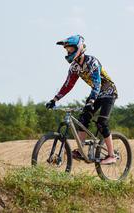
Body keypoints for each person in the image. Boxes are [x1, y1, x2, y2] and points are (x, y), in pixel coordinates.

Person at [45, 35, 118, 165]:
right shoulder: (74, 67)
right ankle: (80, 150)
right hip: (96, 95)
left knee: (101, 123)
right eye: (67, 50)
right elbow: (68, 85)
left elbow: (97, 84)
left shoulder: (92, 62)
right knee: (83, 120)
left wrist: (91, 101)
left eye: (71, 49)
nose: (68, 52)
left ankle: (112, 155)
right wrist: (54, 99)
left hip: (108, 92)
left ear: (79, 49)